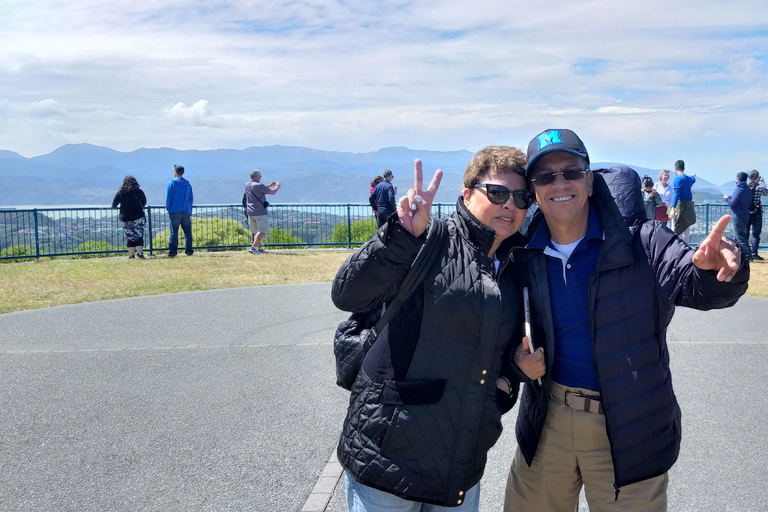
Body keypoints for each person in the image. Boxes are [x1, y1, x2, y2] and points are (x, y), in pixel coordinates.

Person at [503, 129, 749, 512]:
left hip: (629, 428)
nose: (560, 183)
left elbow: (695, 283)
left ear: (589, 178)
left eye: (570, 171)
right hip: (547, 420)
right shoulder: (524, 250)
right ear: (533, 189)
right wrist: (515, 365)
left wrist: (717, 269)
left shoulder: (643, 240)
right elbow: (496, 325)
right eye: (546, 176)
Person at [332, 147, 544, 511]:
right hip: (388, 455)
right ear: (467, 194)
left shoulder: (516, 264)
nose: (510, 205)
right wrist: (399, 236)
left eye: (521, 197)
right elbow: (347, 293)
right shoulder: (430, 238)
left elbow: (496, 355)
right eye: (497, 193)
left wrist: (511, 376)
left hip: (460, 462)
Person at [244, 169, 280, 254]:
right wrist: (277, 186)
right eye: (260, 176)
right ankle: (253, 247)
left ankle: (259, 248)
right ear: (256, 176)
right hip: (259, 211)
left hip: (250, 211)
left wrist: (269, 185)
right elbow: (272, 192)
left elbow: (259, 189)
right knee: (262, 230)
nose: (260, 177)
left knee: (256, 231)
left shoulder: (247, 185)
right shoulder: (258, 185)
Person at [111, 175, 147, 259]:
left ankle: (131, 255)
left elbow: (113, 205)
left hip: (125, 218)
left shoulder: (120, 192)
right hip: (138, 217)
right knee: (139, 234)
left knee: (130, 236)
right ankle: (139, 253)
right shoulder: (139, 192)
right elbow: (144, 202)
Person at [165, 164, 194, 257]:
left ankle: (173, 252)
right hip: (186, 210)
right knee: (187, 232)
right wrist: (189, 208)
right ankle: (189, 250)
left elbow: (168, 198)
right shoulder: (188, 184)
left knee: (174, 232)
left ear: (175, 172)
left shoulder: (171, 183)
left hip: (174, 211)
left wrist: (168, 208)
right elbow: (191, 198)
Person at [724, 172, 752, 258]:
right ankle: (737, 253)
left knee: (740, 237)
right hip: (745, 215)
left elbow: (733, 202)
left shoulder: (739, 189)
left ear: (737, 179)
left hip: (737, 215)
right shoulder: (748, 189)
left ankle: (748, 255)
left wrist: (727, 198)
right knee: (738, 236)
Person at [669, 159, 696, 243]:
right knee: (686, 229)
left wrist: (673, 209)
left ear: (675, 169)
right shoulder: (688, 179)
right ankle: (686, 249)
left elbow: (676, 194)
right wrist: (694, 175)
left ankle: (677, 248)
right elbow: (693, 179)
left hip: (680, 206)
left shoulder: (677, 179)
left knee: (676, 228)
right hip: (688, 207)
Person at [747, 170, 767, 260]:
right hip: (757, 212)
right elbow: (766, 193)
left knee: (745, 233)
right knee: (755, 234)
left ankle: (746, 254)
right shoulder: (759, 187)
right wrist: (763, 181)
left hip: (746, 213)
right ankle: (754, 253)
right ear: (757, 177)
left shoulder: (746, 187)